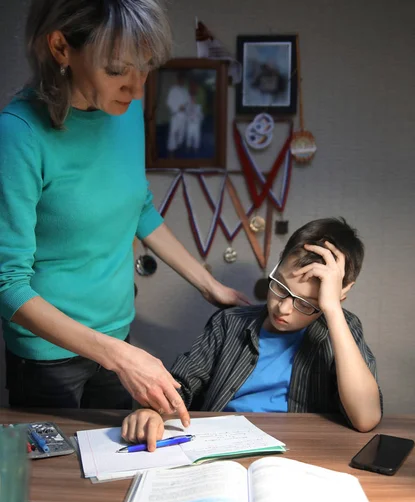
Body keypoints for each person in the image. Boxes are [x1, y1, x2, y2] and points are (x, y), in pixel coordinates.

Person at [0, 0, 249, 419]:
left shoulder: (126, 111)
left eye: (145, 66)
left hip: (116, 337)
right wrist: (119, 356)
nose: (137, 89)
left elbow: (139, 208)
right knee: (59, 481)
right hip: (47, 357)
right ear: (61, 48)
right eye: (117, 70)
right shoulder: (19, 134)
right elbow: (7, 284)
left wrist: (210, 287)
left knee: (116, 467)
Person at [123, 218, 383, 448]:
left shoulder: (342, 328)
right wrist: (153, 412)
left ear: (340, 296)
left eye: (305, 303)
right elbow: (181, 385)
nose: (283, 308)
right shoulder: (229, 322)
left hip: (299, 450)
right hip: (222, 445)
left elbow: (366, 418)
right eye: (280, 286)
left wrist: (332, 309)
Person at [166, 71, 190, 154]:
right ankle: (171, 150)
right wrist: (177, 107)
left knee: (182, 132)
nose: (182, 81)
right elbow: (169, 102)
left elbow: (188, 102)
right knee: (173, 133)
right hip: (175, 115)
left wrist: (185, 107)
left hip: (184, 115)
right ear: (178, 79)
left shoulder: (185, 90)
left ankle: (179, 147)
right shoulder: (173, 89)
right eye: (180, 79)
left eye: (183, 80)